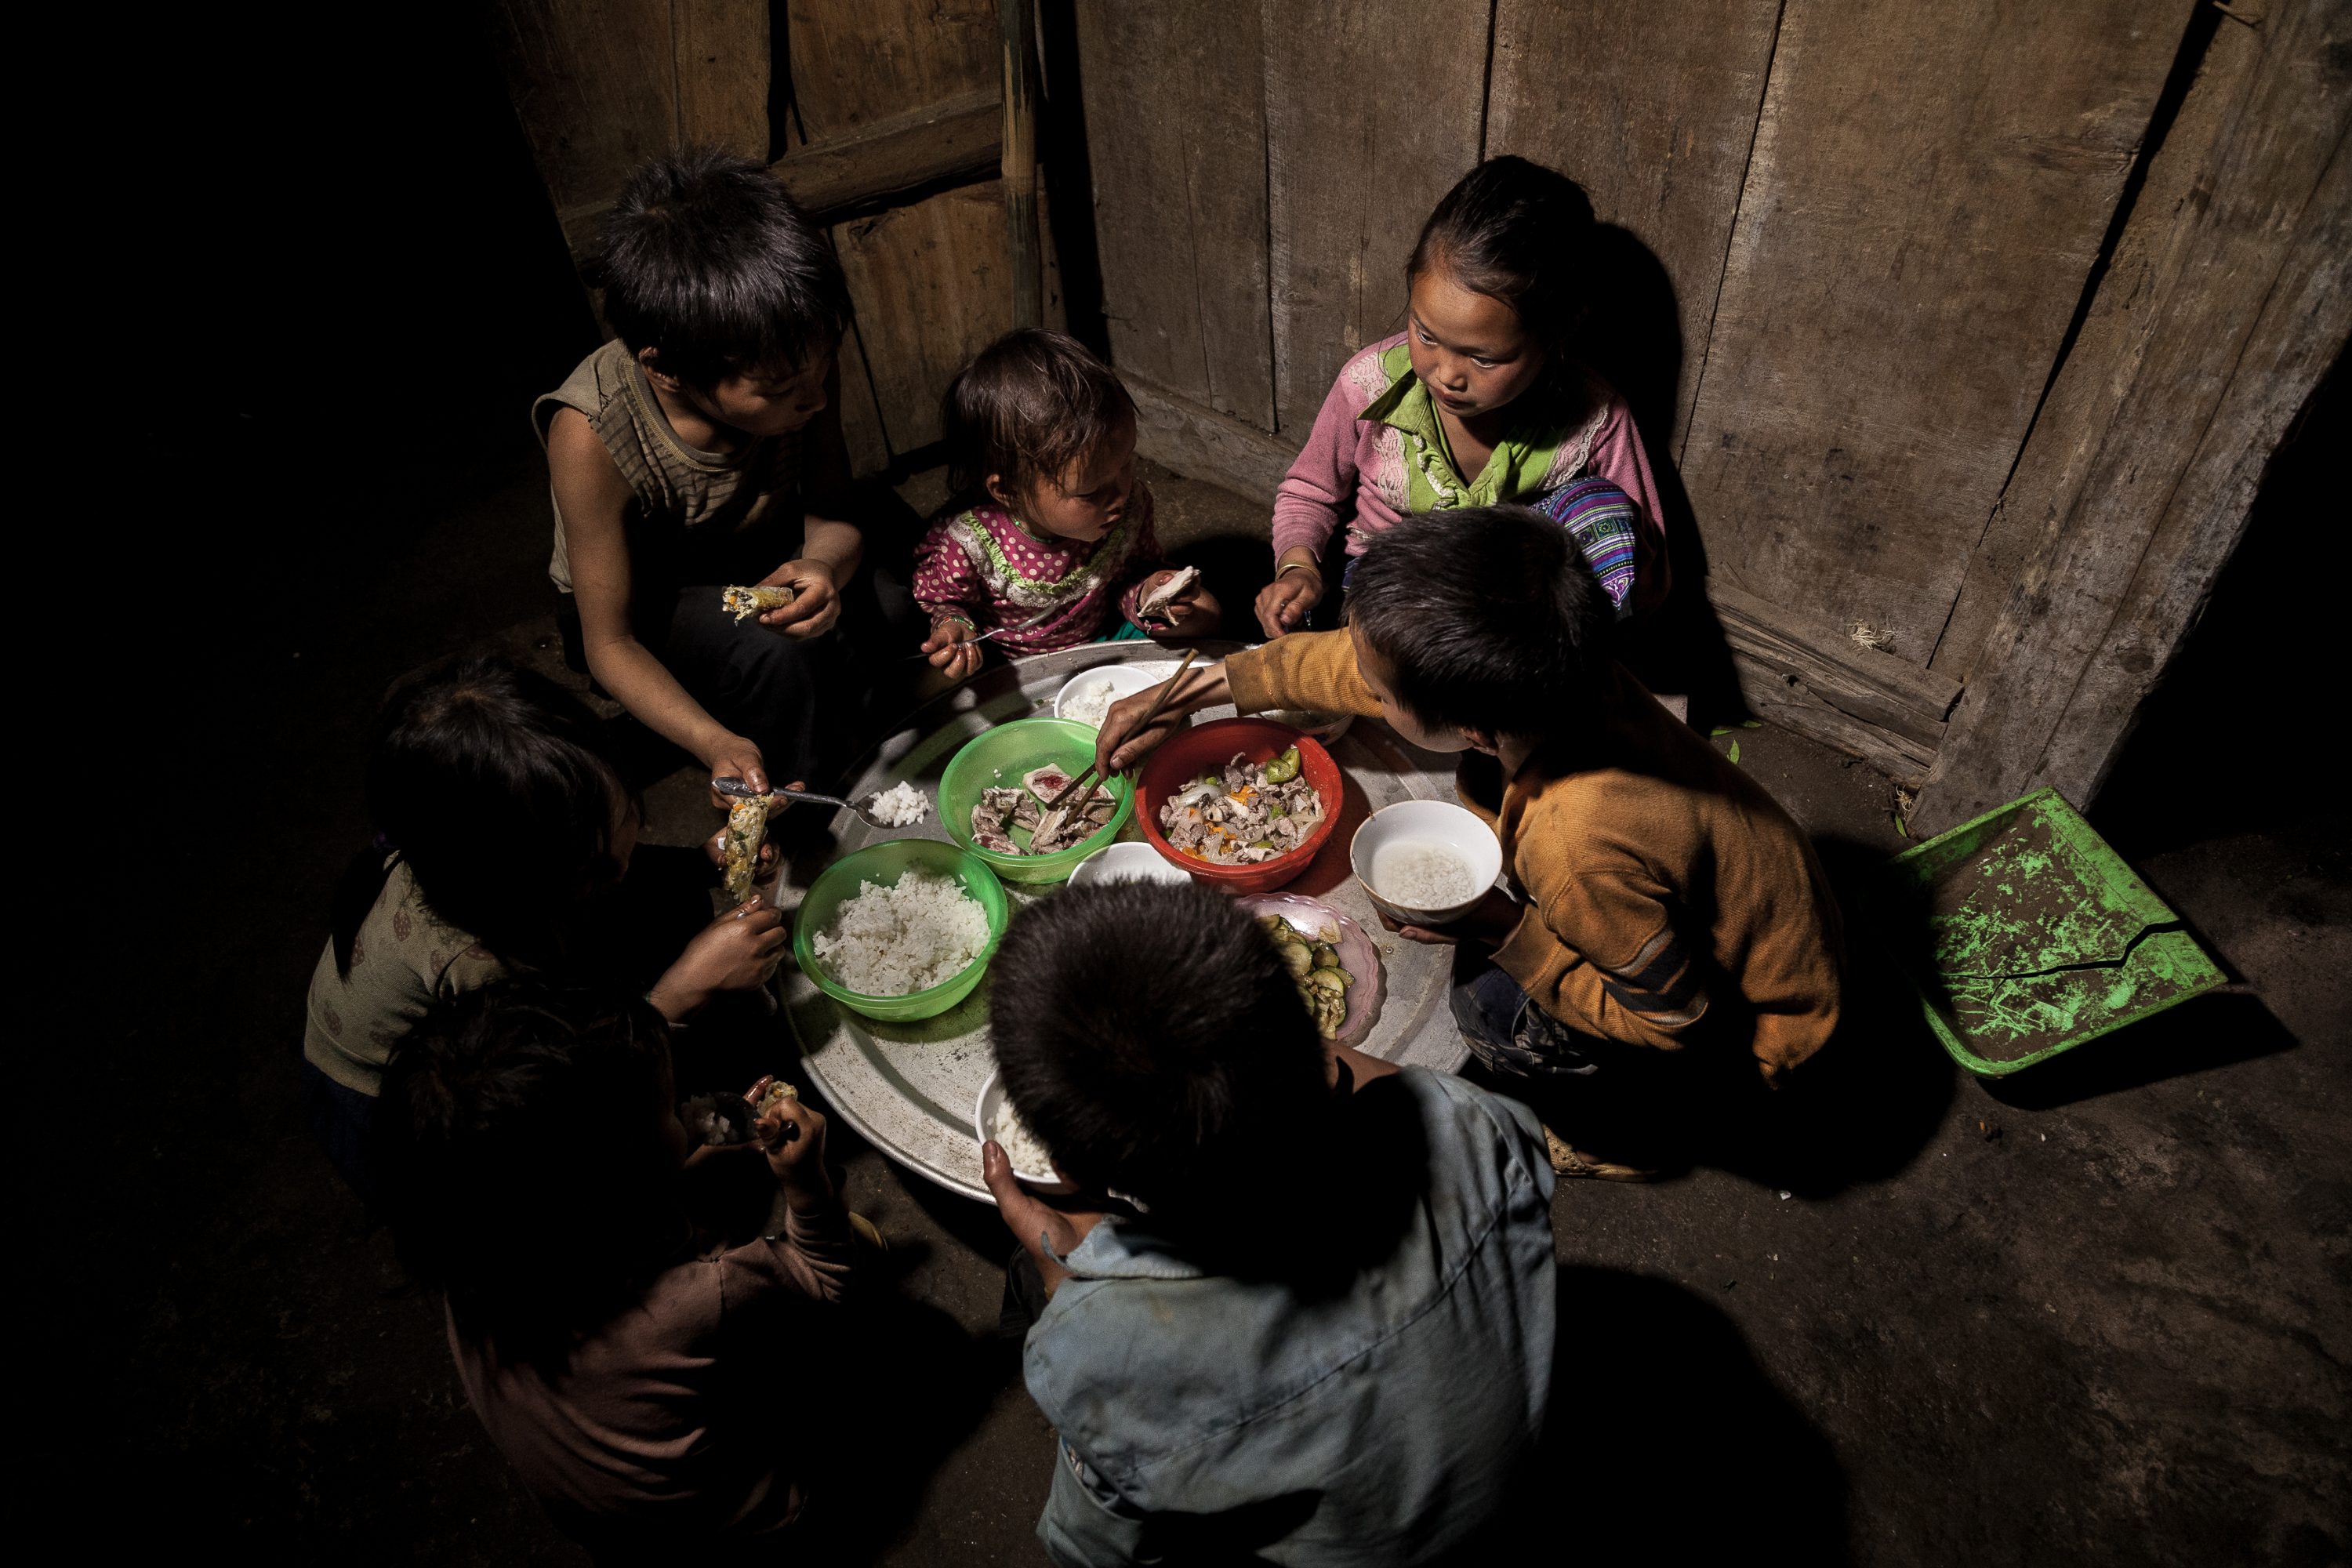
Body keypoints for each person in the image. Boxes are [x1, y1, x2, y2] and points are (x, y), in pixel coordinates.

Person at [1101, 506, 1844, 1178]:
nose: (1361, 686)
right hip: (1749, 906)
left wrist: (1500, 926)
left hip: (1750, 1034)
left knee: (1487, 1008)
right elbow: (1345, 666)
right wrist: (1186, 690)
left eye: (1380, 693)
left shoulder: (1576, 844)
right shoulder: (1558, 667)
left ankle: (1637, 1138)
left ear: (1476, 730)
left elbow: (1678, 1018)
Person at [980, 882, 1556, 1566]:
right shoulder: (1465, 1118)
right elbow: (1459, 1117)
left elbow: (1088, 1552)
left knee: (1023, 1283)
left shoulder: (1098, 1356)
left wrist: (1058, 1280)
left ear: (1070, 1168)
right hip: (1512, 1482)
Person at [375, 982, 852, 1556]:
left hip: (601, 1524)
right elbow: (827, 1283)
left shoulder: (470, 1236)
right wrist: (806, 1186)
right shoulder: (701, 1297)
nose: (683, 1113)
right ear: (616, 1190)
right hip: (740, 1521)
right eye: (666, 1112)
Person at [302, 656, 791, 1200]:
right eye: (600, 864)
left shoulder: (509, 858)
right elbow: (556, 1088)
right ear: (530, 881)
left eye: (627, 815)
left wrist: (709, 860)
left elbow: (624, 871)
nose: (630, 844)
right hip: (435, 1114)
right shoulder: (476, 962)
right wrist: (682, 989)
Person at [537, 146, 902, 801]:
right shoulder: (592, 432)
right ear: (666, 368)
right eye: (783, 388)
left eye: (821, 367)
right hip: (646, 596)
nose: (814, 398)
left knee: (894, 596)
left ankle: (880, 761)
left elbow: (833, 506)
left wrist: (824, 567)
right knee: (775, 657)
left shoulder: (795, 353)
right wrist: (714, 742)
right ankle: (804, 824)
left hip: (756, 545)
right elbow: (609, 643)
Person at [1255, 156, 1668, 639]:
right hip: (1391, 593)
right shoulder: (1369, 385)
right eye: (1425, 334)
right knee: (1397, 641)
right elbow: (1310, 492)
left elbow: (1643, 558)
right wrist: (1298, 567)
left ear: (1557, 334)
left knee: (1600, 511)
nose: (1447, 374)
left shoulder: (1597, 417)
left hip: (1519, 613)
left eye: (1485, 359)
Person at [915, 328, 1218, 679]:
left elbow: (1131, 575)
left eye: (1126, 464)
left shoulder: (1128, 508)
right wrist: (955, 627)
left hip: (1104, 638)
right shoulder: (970, 543)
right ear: (1009, 490)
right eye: (1089, 492)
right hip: (1011, 664)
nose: (1119, 494)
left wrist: (1149, 592)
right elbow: (945, 600)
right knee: (936, 682)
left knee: (1206, 612)